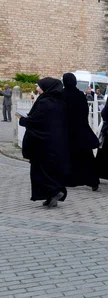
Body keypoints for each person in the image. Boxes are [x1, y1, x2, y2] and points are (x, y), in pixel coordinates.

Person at [17, 78, 69, 207]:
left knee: (41, 171)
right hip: (57, 141)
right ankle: (51, 195)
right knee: (53, 170)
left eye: (39, 86)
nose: (37, 88)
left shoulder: (45, 103)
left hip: (42, 143)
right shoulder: (60, 102)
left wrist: (22, 119)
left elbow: (36, 121)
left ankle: (54, 191)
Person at [62, 73, 100, 191]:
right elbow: (85, 111)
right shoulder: (80, 95)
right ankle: (93, 181)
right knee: (86, 156)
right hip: (81, 129)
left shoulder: (61, 95)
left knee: (67, 156)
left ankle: (68, 180)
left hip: (66, 130)